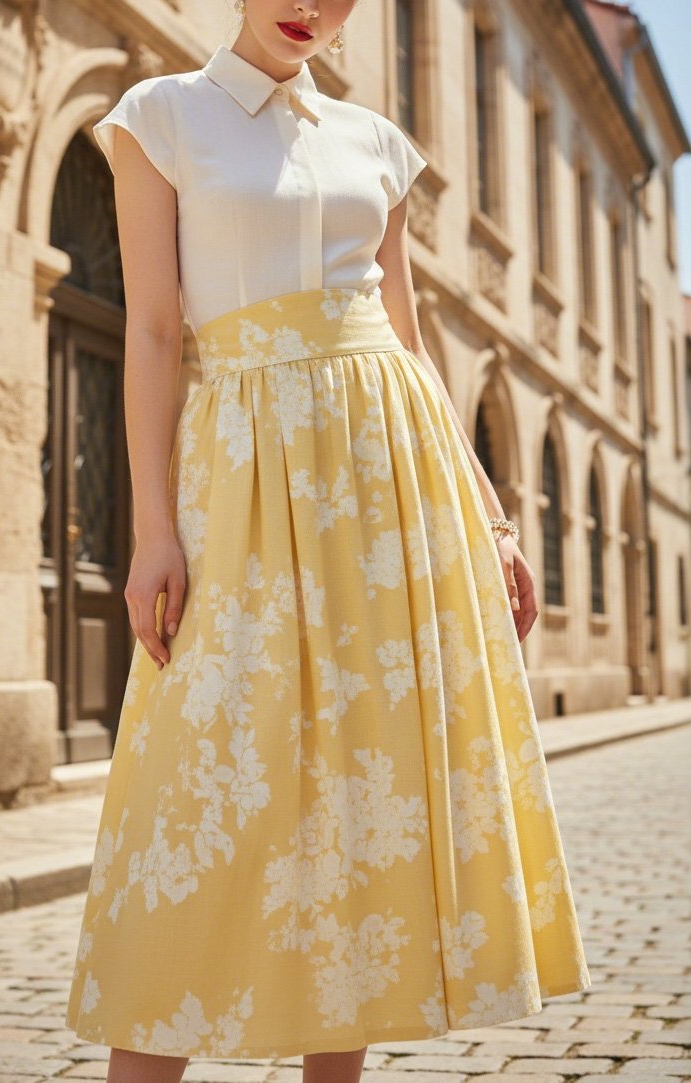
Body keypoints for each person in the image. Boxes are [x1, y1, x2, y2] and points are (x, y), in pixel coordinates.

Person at [64, 2, 592, 1080]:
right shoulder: (158, 118)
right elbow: (158, 331)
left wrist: (489, 515)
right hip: (245, 485)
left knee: (358, 791)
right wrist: (154, 529)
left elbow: (404, 337)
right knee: (200, 786)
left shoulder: (375, 145)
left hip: (391, 494)